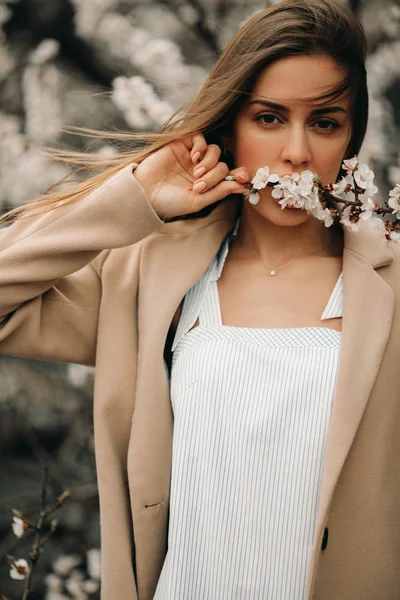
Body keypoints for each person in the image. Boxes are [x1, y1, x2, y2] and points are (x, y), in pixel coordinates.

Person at [1, 0, 399, 598]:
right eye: (269, 118)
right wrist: (133, 198)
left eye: (324, 122)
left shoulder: (387, 286)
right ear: (228, 127)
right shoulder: (148, 281)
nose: (296, 152)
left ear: (351, 136)